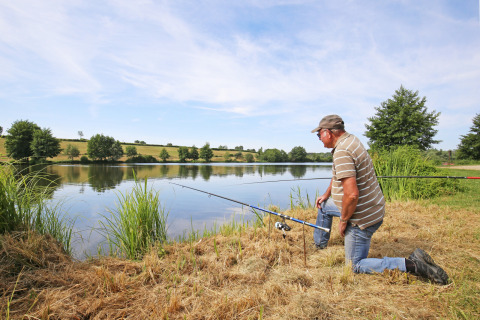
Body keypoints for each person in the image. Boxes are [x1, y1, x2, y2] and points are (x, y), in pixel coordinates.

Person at [311, 114, 449, 285]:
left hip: (360, 217)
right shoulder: (351, 141)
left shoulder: (342, 152)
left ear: (328, 133)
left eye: (319, 135)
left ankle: (413, 264)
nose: (319, 139)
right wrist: (327, 194)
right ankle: (319, 245)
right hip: (370, 208)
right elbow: (341, 174)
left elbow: (352, 195)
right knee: (323, 205)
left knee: (355, 265)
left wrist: (344, 220)